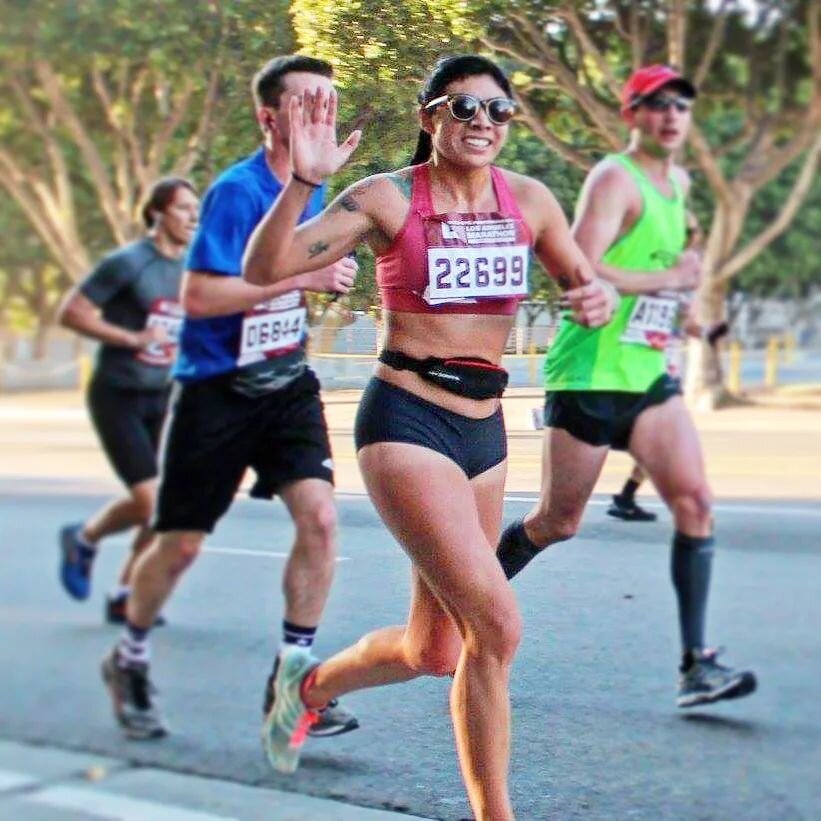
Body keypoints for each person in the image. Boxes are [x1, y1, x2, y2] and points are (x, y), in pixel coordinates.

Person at [243, 55, 615, 819]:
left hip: (485, 429)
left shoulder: (532, 202)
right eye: (462, 107)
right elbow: (267, 265)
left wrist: (596, 295)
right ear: (429, 118)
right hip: (406, 418)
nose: (481, 123)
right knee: (498, 625)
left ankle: (304, 689)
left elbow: (584, 282)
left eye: (496, 111)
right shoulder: (384, 197)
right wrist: (305, 183)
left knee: (435, 649)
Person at [100, 55, 360, 741]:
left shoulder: (323, 193)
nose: (320, 116)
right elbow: (200, 296)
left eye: (329, 103)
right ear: (268, 117)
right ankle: (127, 657)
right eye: (306, 102)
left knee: (322, 519)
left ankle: (291, 681)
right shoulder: (237, 191)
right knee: (180, 544)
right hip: (216, 391)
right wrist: (301, 278)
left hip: (286, 385)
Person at [496, 65, 757, 709]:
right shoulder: (616, 177)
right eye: (657, 104)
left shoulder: (680, 185)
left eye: (683, 105)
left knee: (695, 500)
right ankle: (465, 590)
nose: (672, 115)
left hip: (642, 376)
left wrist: (691, 318)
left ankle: (696, 665)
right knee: (558, 522)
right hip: (588, 373)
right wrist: (667, 283)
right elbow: (582, 263)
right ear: (632, 114)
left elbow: (651, 277)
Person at [57, 177, 198, 623]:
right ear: (157, 213)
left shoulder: (194, 268)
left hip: (163, 395)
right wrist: (131, 336)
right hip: (118, 393)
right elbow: (72, 311)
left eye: (196, 210)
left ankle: (123, 594)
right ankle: (84, 537)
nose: (193, 218)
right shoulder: (129, 263)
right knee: (150, 502)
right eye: (183, 209)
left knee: (160, 508)